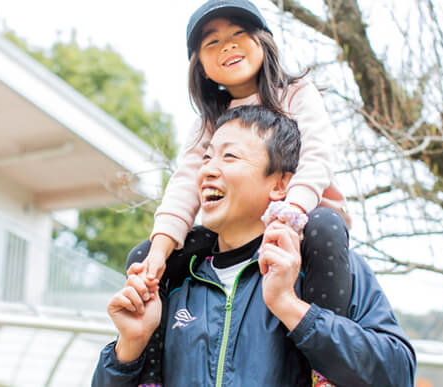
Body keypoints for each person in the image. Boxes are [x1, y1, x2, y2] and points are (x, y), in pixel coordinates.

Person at [92, 105, 416, 386]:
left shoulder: (325, 267)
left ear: (280, 185)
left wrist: (291, 307)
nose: (207, 170)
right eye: (206, 158)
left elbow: (398, 374)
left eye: (229, 156)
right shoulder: (174, 280)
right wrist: (129, 347)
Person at [128, 0, 352, 384]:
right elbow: (185, 184)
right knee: (145, 253)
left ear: (263, 41)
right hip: (238, 231)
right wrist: (159, 255)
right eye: (212, 43)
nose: (227, 46)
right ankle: (150, 375)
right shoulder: (207, 123)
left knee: (326, 226)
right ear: (199, 65)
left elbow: (318, 154)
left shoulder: (294, 93)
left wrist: (290, 212)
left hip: (300, 216)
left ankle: (324, 372)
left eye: (238, 35)